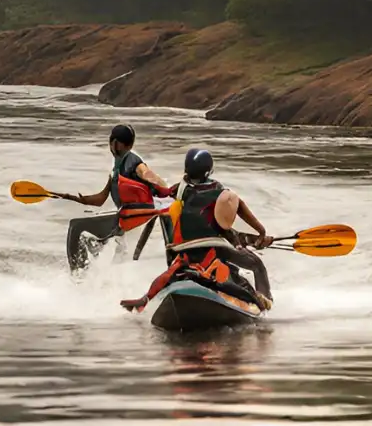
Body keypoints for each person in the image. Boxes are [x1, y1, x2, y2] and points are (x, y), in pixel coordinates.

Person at [120, 147, 274, 312]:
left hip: (185, 250)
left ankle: (145, 299)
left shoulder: (180, 189)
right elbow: (238, 209)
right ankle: (263, 302)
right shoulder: (218, 190)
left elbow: (161, 192)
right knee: (257, 264)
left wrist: (141, 186)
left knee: (172, 271)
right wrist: (261, 231)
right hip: (213, 249)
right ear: (209, 171)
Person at [75, 124, 171, 216]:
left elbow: (147, 173)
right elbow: (101, 199)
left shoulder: (132, 161)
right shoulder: (116, 168)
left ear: (115, 143)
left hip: (142, 214)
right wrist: (75, 199)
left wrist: (166, 189)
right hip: (126, 213)